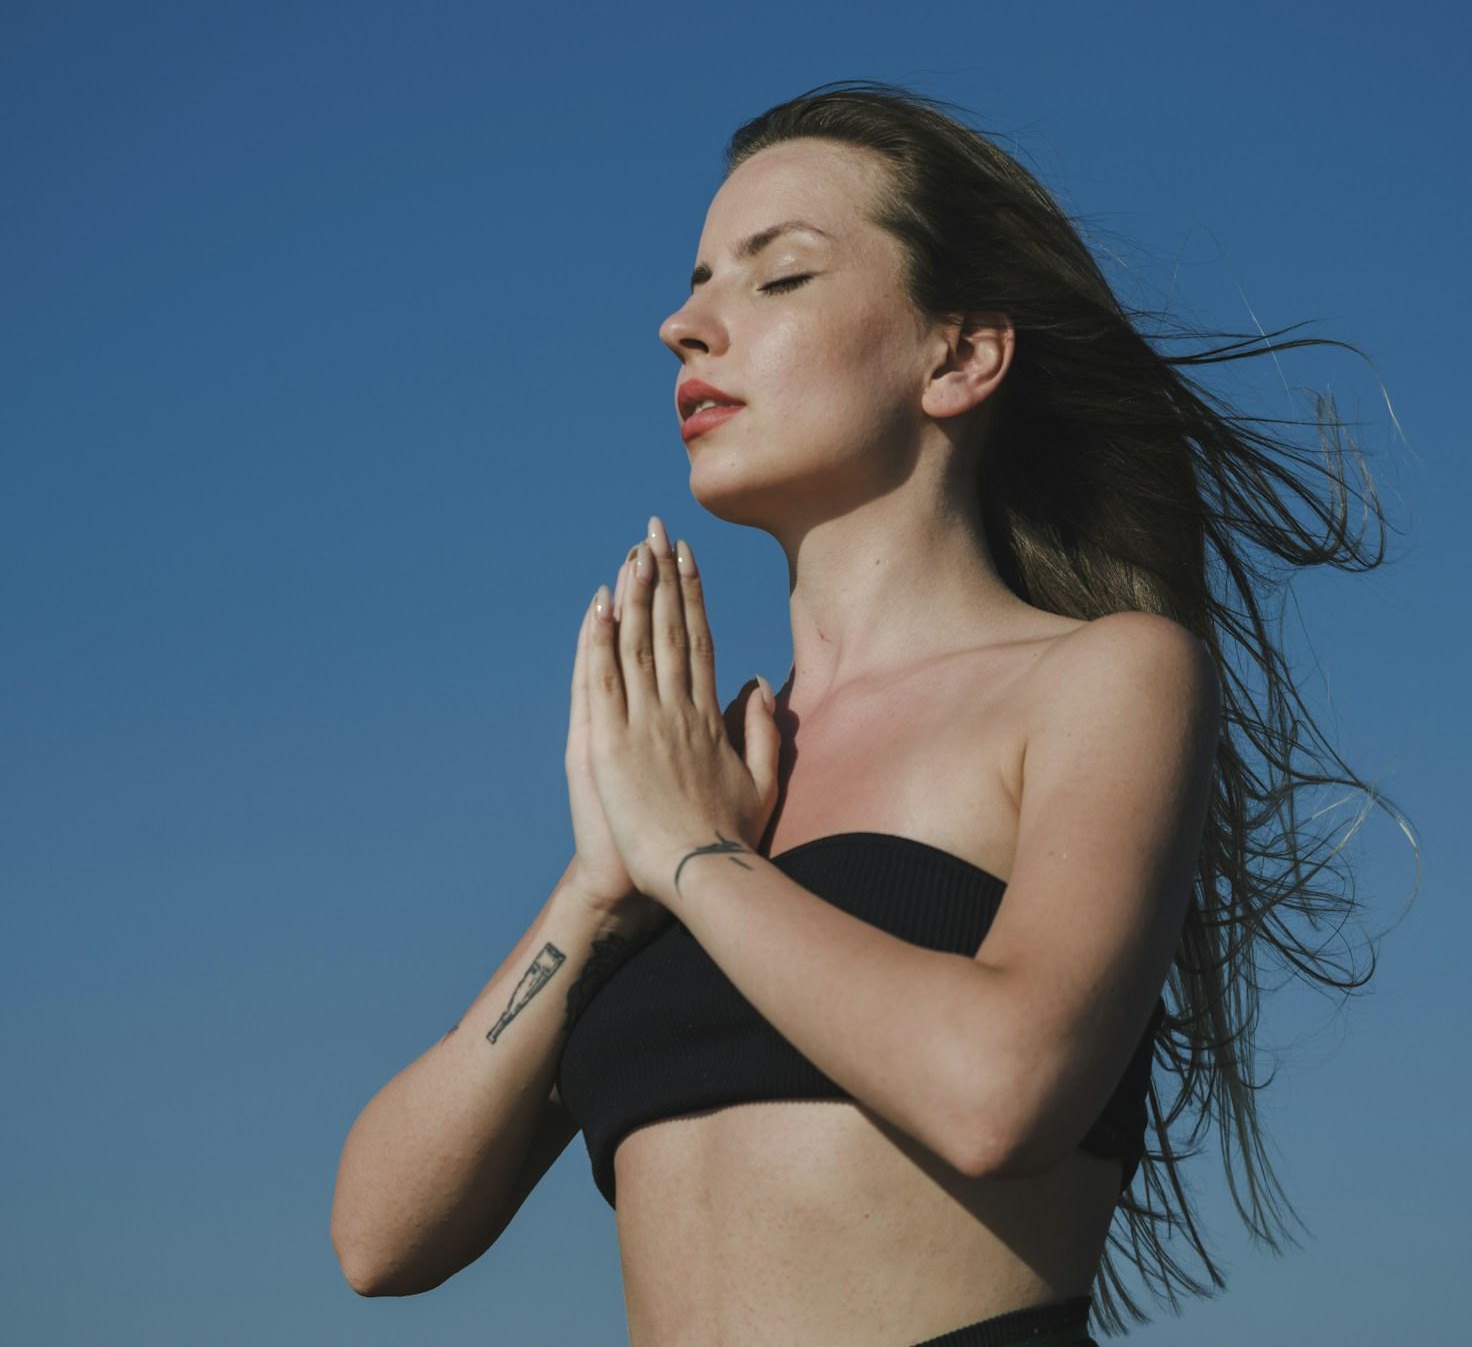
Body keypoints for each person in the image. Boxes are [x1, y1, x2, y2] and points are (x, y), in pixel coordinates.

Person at [330, 82, 1416, 1344]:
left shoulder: (1101, 676)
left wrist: (699, 858)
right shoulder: (705, 776)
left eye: (774, 278)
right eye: (693, 284)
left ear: (958, 355)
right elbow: (378, 1236)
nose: (685, 324)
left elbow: (999, 1090)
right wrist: (606, 878)